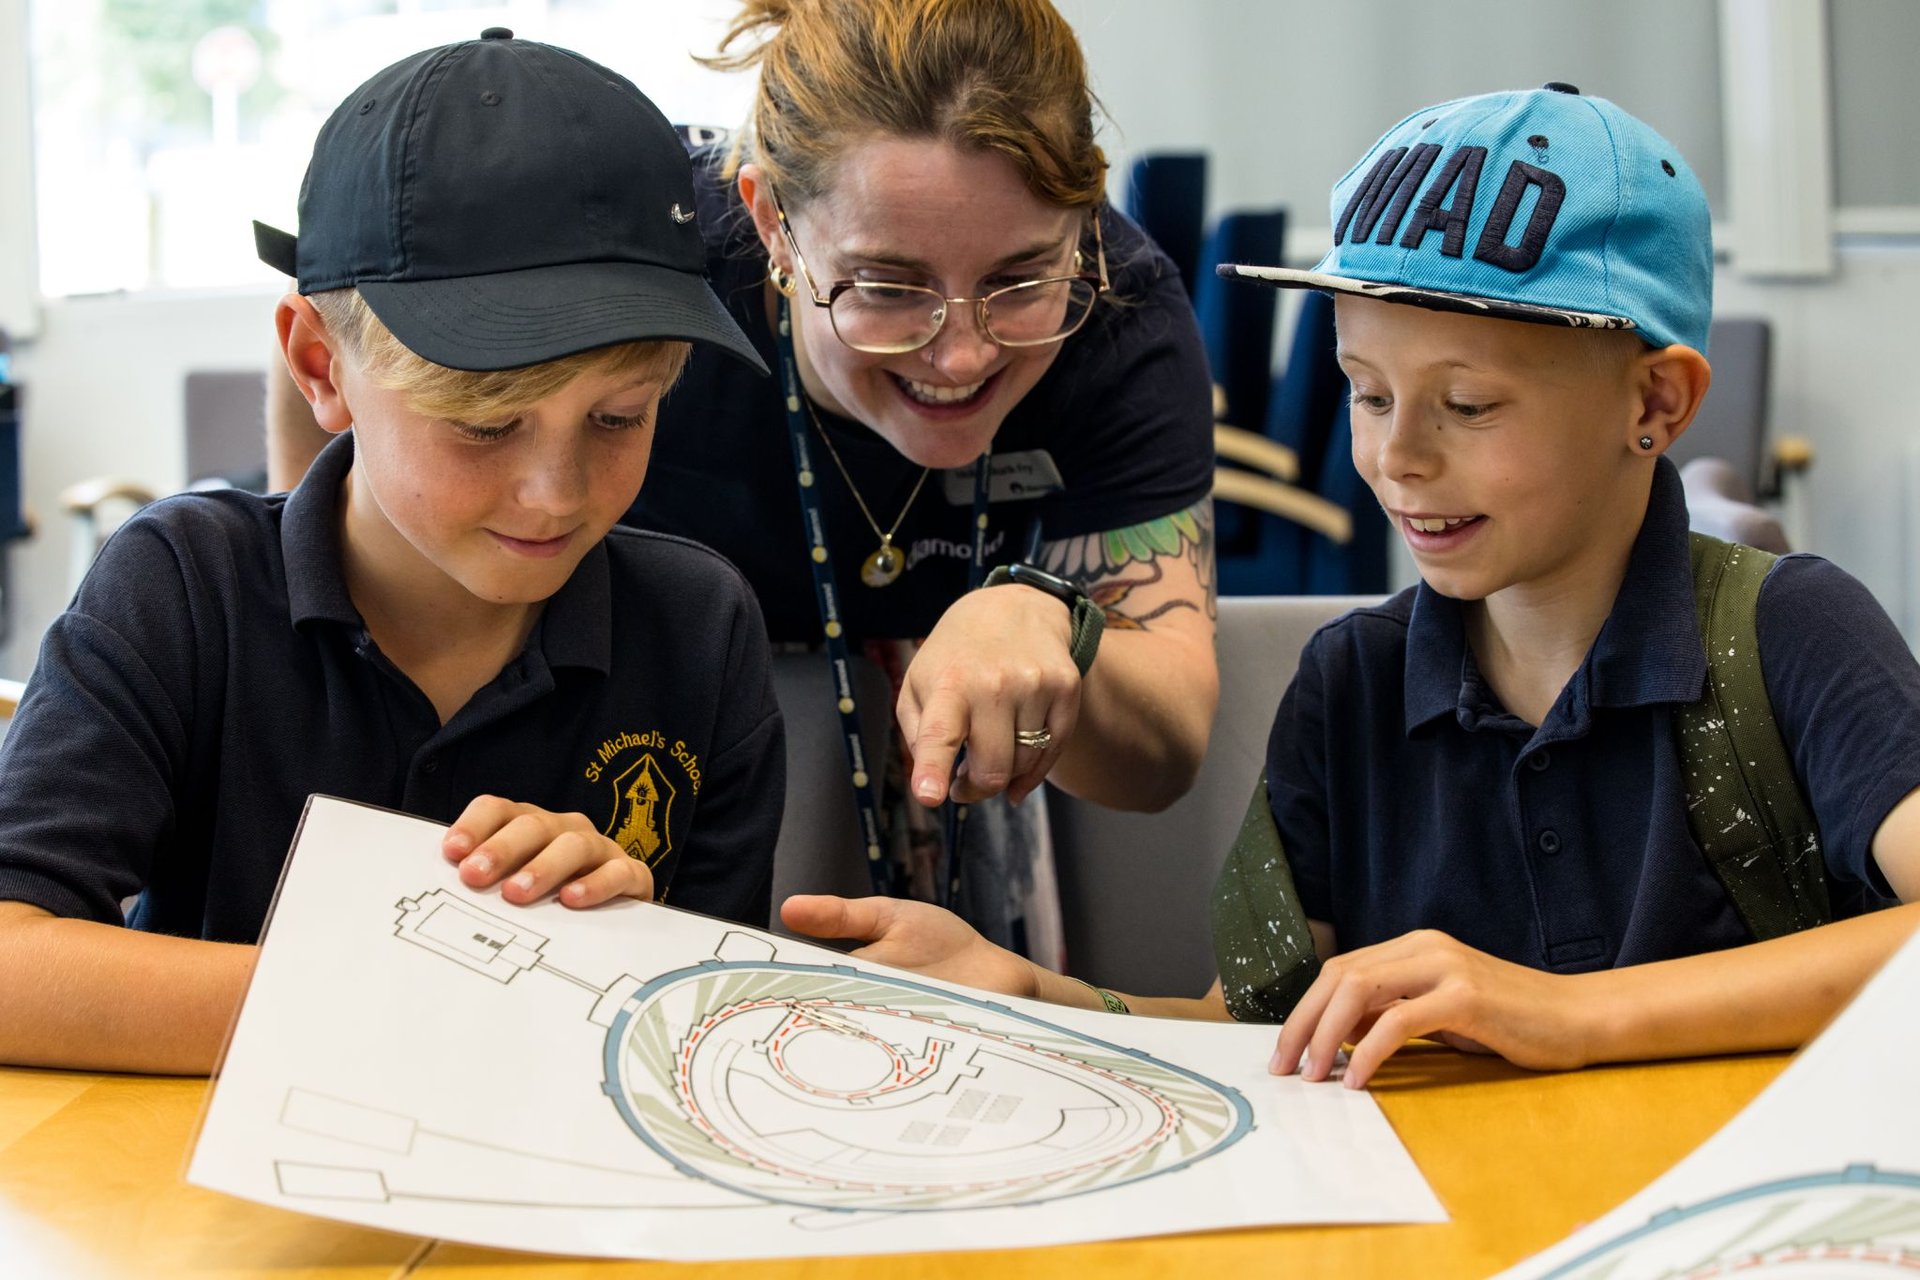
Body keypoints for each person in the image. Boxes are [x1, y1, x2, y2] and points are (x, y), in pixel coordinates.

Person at [780, 85, 1920, 1088]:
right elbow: (1250, 1037)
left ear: (1655, 403)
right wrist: (1024, 993)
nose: (1399, 457)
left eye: (1467, 404)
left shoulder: (1791, 631)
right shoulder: (1352, 686)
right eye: (1366, 394)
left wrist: (1568, 1013)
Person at [267, 0, 1221, 959]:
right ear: (770, 220)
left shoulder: (1121, 312)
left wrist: (1056, 621)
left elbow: (1166, 753)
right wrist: (324, 635)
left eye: (1022, 280)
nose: (962, 353)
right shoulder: (644, 259)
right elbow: (345, 318)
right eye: (887, 286)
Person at [0, 31, 783, 1074]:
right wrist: (410, 979)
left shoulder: (700, 628)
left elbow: (705, 1040)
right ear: (321, 364)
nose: (556, 494)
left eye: (618, 418)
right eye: (486, 424)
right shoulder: (181, 587)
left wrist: (614, 949)